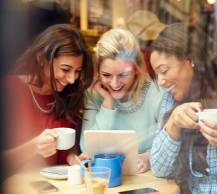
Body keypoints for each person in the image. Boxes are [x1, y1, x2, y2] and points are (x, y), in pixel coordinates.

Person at [149, 23, 217, 193]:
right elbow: (159, 169)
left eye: (163, 70)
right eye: (156, 74)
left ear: (191, 60)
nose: (161, 82)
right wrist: (173, 125)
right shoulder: (171, 100)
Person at [3, 24, 93, 175]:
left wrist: (73, 159)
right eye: (65, 69)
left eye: (77, 71)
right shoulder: (9, 90)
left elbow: (65, 149)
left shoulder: (68, 95)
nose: (72, 79)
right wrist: (34, 147)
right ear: (41, 58)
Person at [80, 28, 165, 173]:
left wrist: (148, 157)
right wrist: (107, 104)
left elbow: (171, 144)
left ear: (136, 70)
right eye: (106, 75)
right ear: (98, 71)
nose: (114, 84)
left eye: (123, 75)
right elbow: (87, 149)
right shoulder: (94, 94)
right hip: (106, 181)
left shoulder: (157, 93)